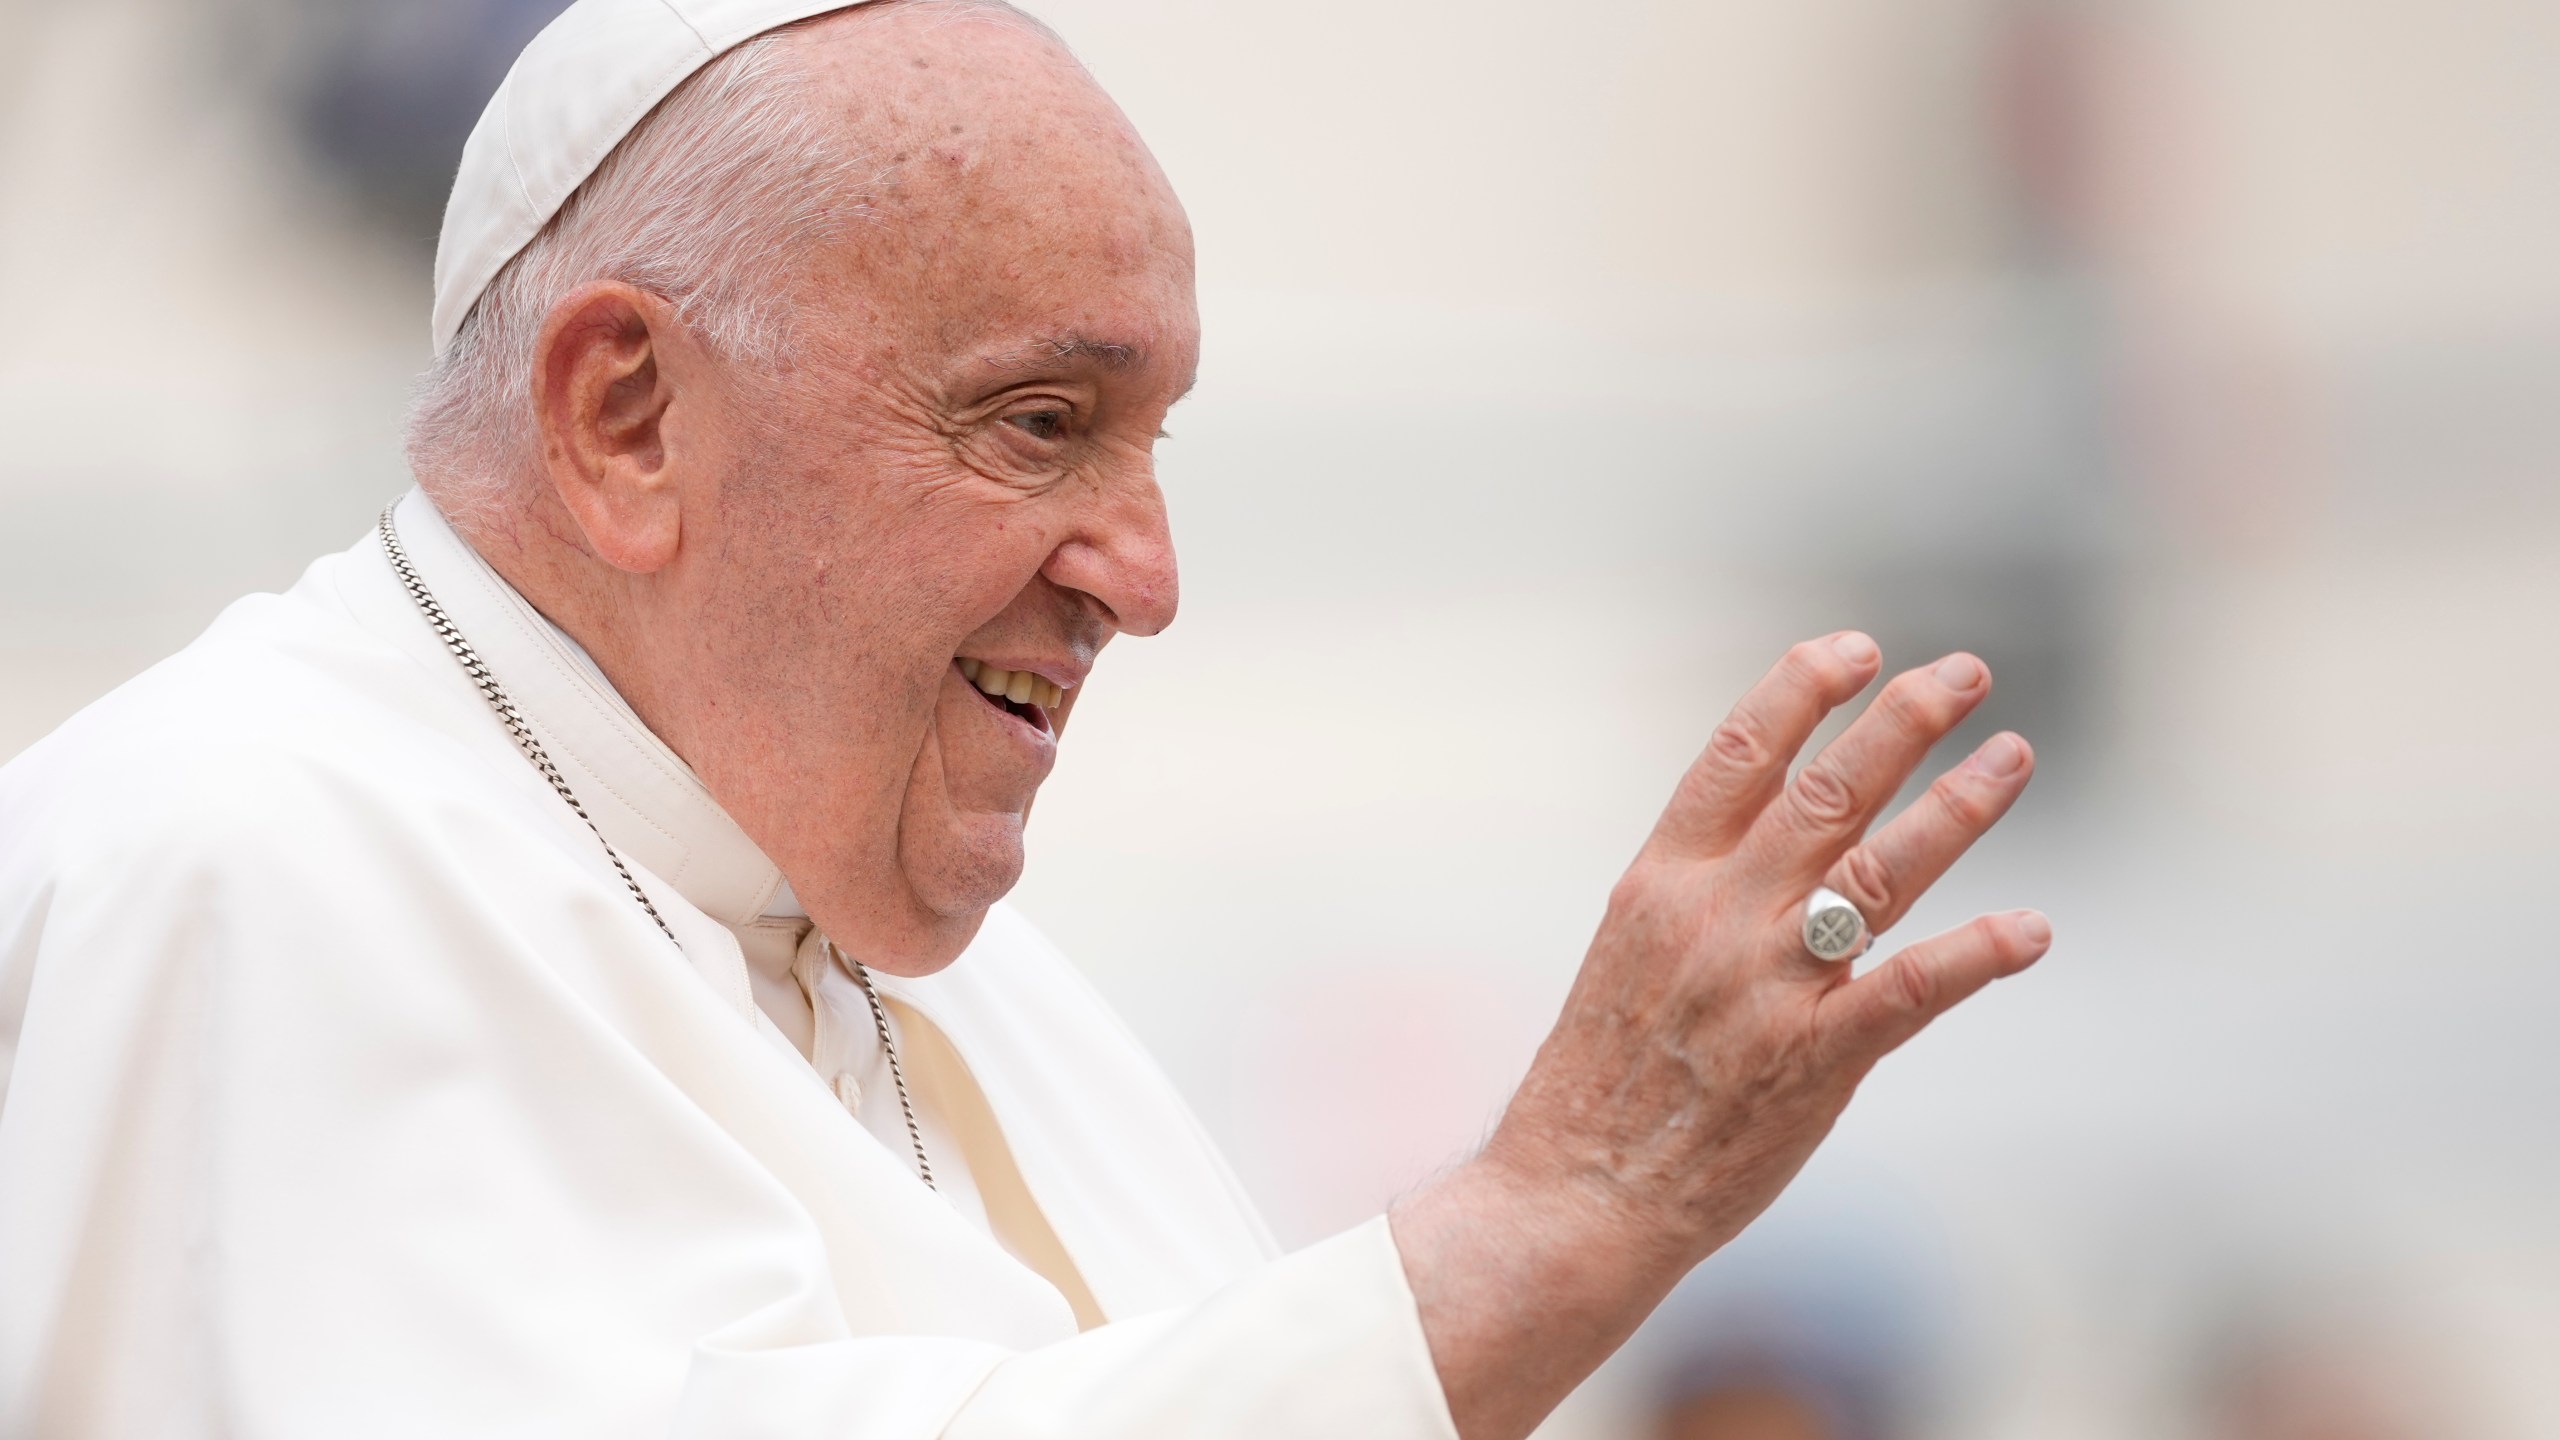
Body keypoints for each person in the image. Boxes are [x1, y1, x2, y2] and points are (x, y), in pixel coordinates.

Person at [0, 2, 2052, 1436]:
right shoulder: (237, 859)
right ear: (623, 417)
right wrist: (1550, 1218)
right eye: (1040, 425)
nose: (1142, 577)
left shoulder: (963, 976)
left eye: (1153, 446)